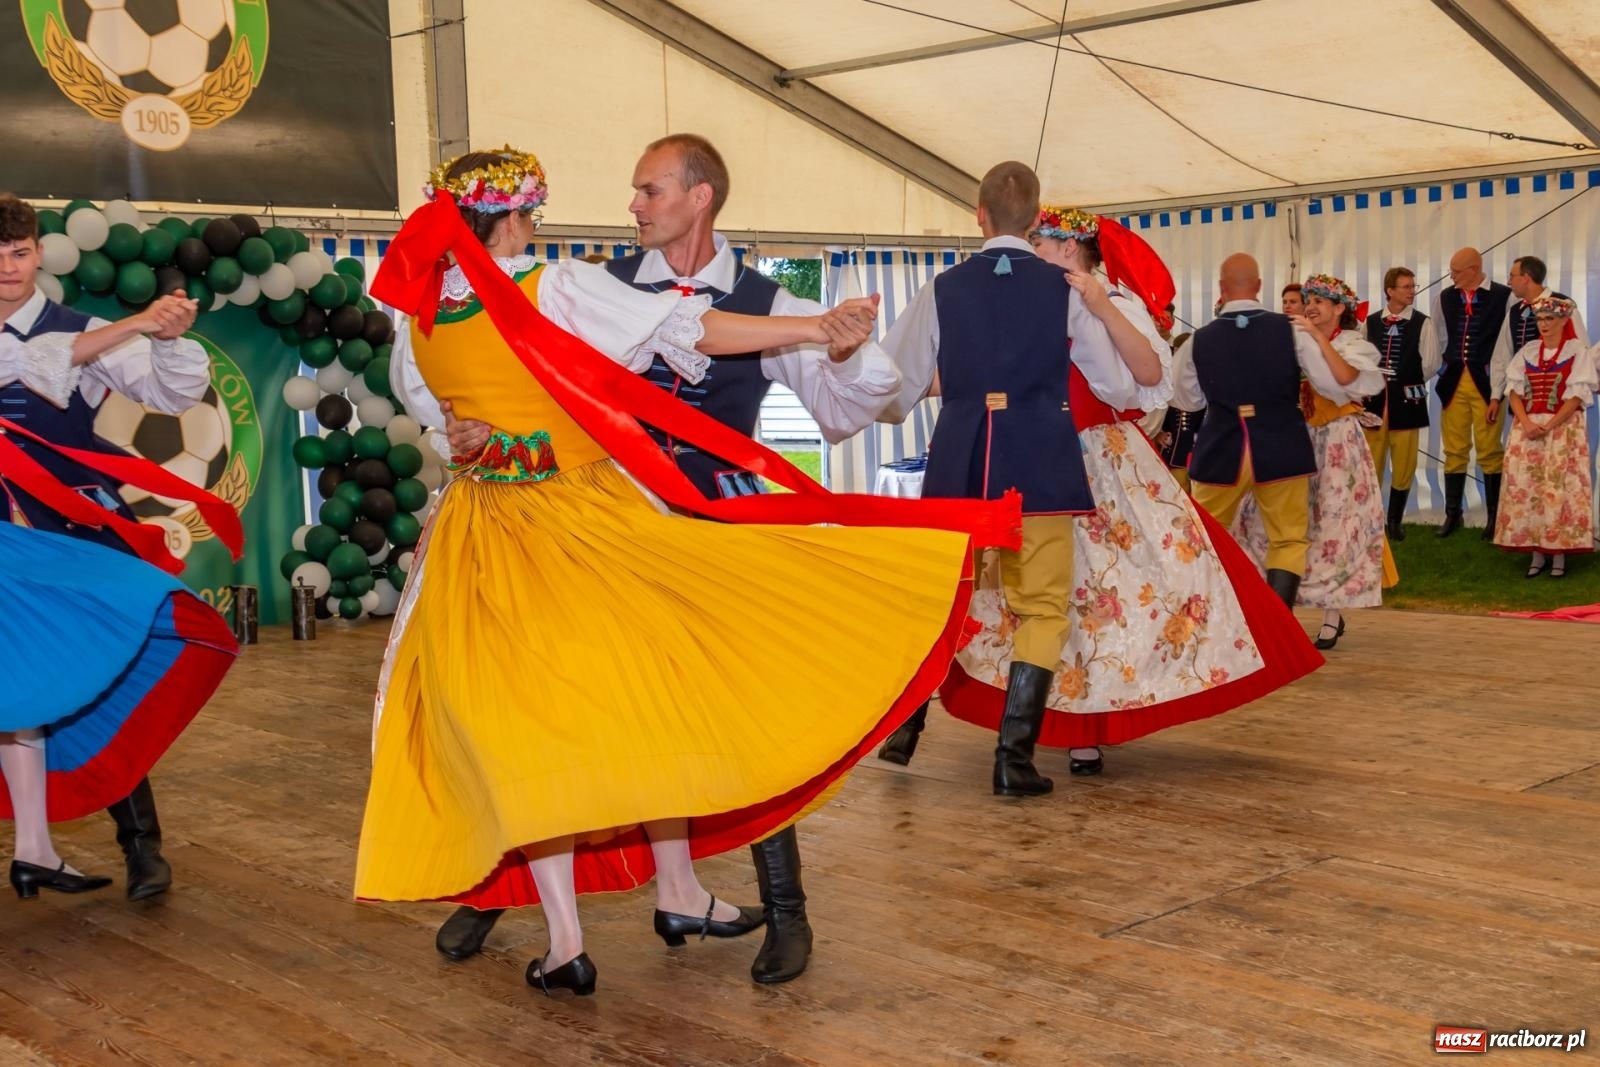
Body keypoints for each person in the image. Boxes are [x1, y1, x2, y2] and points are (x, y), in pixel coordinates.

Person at [356, 147, 1017, 998]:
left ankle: (766, 907)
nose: (633, 203)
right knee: (598, 699)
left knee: (694, 692)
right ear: (519, 213)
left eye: (648, 188)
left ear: (698, 198)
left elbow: (858, 399)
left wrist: (831, 340)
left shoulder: (737, 294)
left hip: (682, 503)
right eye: (632, 188)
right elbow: (468, 408)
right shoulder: (573, 282)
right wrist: (473, 434)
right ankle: (515, 889)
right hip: (593, 509)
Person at [906, 206, 1321, 778]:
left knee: (1102, 598)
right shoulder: (1031, 299)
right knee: (1028, 596)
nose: (1029, 254)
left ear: (1067, 249)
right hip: (1032, 457)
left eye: (1039, 243)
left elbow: (1149, 379)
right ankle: (982, 728)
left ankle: (1082, 732)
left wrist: (1100, 305)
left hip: (1097, 463)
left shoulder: (1105, 301)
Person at [874, 164, 1164, 797]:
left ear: (978, 215)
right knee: (1042, 608)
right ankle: (1013, 761)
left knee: (945, 599)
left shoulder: (941, 288)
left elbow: (894, 385)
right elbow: (1117, 384)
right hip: (1040, 459)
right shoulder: (1064, 289)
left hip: (959, 462)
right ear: (1036, 221)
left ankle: (903, 729)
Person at [0, 192, 223, 902]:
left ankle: (139, 845)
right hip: (6, 537)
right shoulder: (79, 336)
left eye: (18, 252)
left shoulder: (85, 328)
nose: (7, 269)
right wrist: (134, 320)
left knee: (102, 672)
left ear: (38, 252)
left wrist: (164, 336)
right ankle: (34, 845)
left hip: (68, 527)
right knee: (17, 686)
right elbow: (28, 362)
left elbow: (171, 393)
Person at [1177, 255, 1352, 613]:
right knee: (1288, 538)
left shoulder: (1197, 341)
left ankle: (1211, 616)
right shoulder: (1291, 331)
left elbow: (1187, 400)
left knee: (1208, 535)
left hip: (1221, 448)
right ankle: (1278, 625)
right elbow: (1328, 384)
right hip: (1281, 445)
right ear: (1258, 286)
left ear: (1222, 289)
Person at [1234, 275, 1385, 649]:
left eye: (1321, 300)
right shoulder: (1292, 340)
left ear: (1340, 309)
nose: (1311, 305)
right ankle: (1272, 606)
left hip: (1335, 442)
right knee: (1270, 520)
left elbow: (1343, 381)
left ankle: (1332, 616)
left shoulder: (1353, 345)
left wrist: (1317, 339)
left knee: (1333, 524)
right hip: (1295, 437)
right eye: (1309, 299)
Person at [1494, 294, 1595, 577]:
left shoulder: (1577, 351)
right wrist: (1525, 422)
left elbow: (1576, 398)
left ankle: (1559, 555)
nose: (1544, 324)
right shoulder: (1528, 351)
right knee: (1528, 488)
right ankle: (1536, 553)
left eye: (1550, 319)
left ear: (1564, 320)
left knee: (1557, 488)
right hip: (1528, 430)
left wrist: (1549, 426)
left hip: (1562, 430)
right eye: (1540, 319)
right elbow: (1514, 391)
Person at [1421, 247, 1513, 538]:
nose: (1452, 276)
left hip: (1487, 384)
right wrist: (1442, 370)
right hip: (1454, 383)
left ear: (1475, 269)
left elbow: (1507, 342)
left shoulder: (1504, 296)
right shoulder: (1444, 298)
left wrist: (1500, 385)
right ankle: (1453, 514)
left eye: (1457, 271)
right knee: (1455, 449)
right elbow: (1439, 337)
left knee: (1489, 451)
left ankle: (1494, 517)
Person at [1363, 267, 1429, 542]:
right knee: (1371, 462)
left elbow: (1431, 362)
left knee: (1405, 462)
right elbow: (1363, 358)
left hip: (1407, 402)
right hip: (1376, 402)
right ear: (1390, 290)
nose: (1411, 290)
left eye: (1412, 286)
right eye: (1405, 286)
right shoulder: (1371, 322)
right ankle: (1373, 519)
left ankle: (1395, 520)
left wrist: (1407, 377)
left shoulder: (1422, 322)